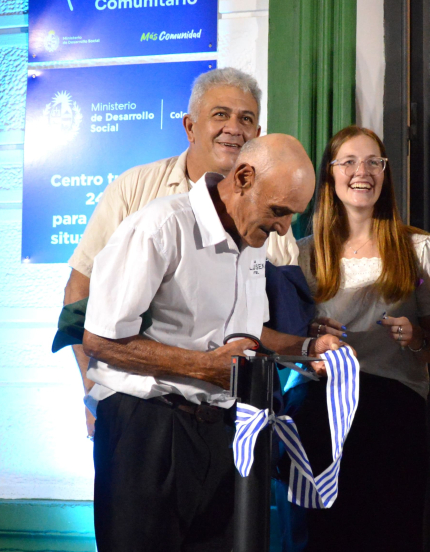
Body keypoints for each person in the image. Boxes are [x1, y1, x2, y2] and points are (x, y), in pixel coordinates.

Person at [82, 134, 342, 552]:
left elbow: (242, 335)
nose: (285, 226)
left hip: (220, 434)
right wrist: (203, 367)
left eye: (293, 215)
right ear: (243, 179)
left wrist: (307, 348)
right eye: (280, 210)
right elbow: (101, 339)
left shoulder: (252, 240)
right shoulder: (161, 226)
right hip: (147, 432)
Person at [64, 67, 298, 437]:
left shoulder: (267, 222)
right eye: (220, 114)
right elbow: (81, 295)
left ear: (257, 137)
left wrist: (310, 343)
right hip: (143, 418)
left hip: (224, 423)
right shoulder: (137, 194)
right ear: (190, 127)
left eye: (246, 119)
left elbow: (258, 325)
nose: (234, 128)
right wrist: (91, 391)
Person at [294, 125, 430, 552]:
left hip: (392, 417)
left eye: (373, 163)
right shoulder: (299, 254)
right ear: (330, 174)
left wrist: (416, 338)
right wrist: (307, 348)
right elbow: (282, 348)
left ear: (386, 175)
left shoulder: (419, 251)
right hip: (320, 415)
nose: (361, 173)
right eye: (349, 162)